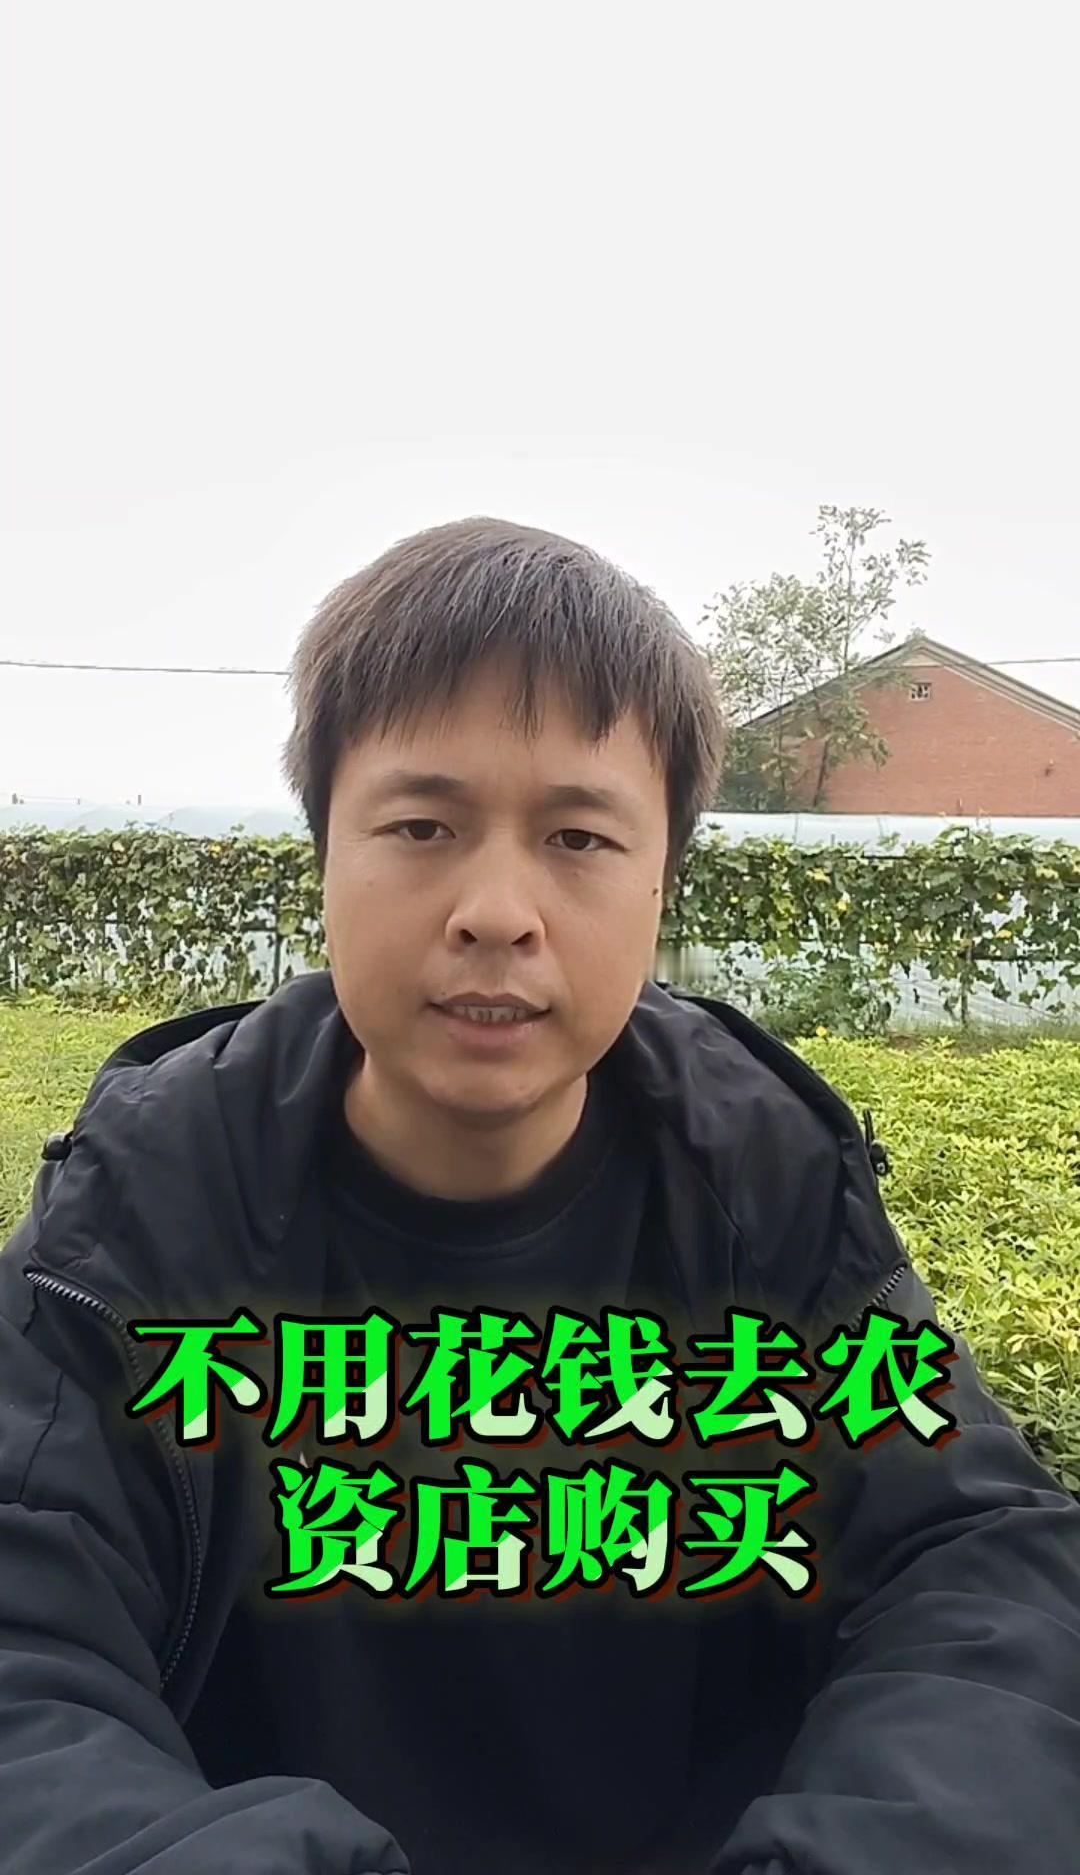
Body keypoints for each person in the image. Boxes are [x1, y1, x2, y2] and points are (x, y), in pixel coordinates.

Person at [1, 517, 1078, 1875]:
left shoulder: (765, 1185)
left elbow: (976, 1568)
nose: (497, 910)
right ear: (325, 852)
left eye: (577, 836)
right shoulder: (147, 1210)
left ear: (662, 879)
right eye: (422, 826)